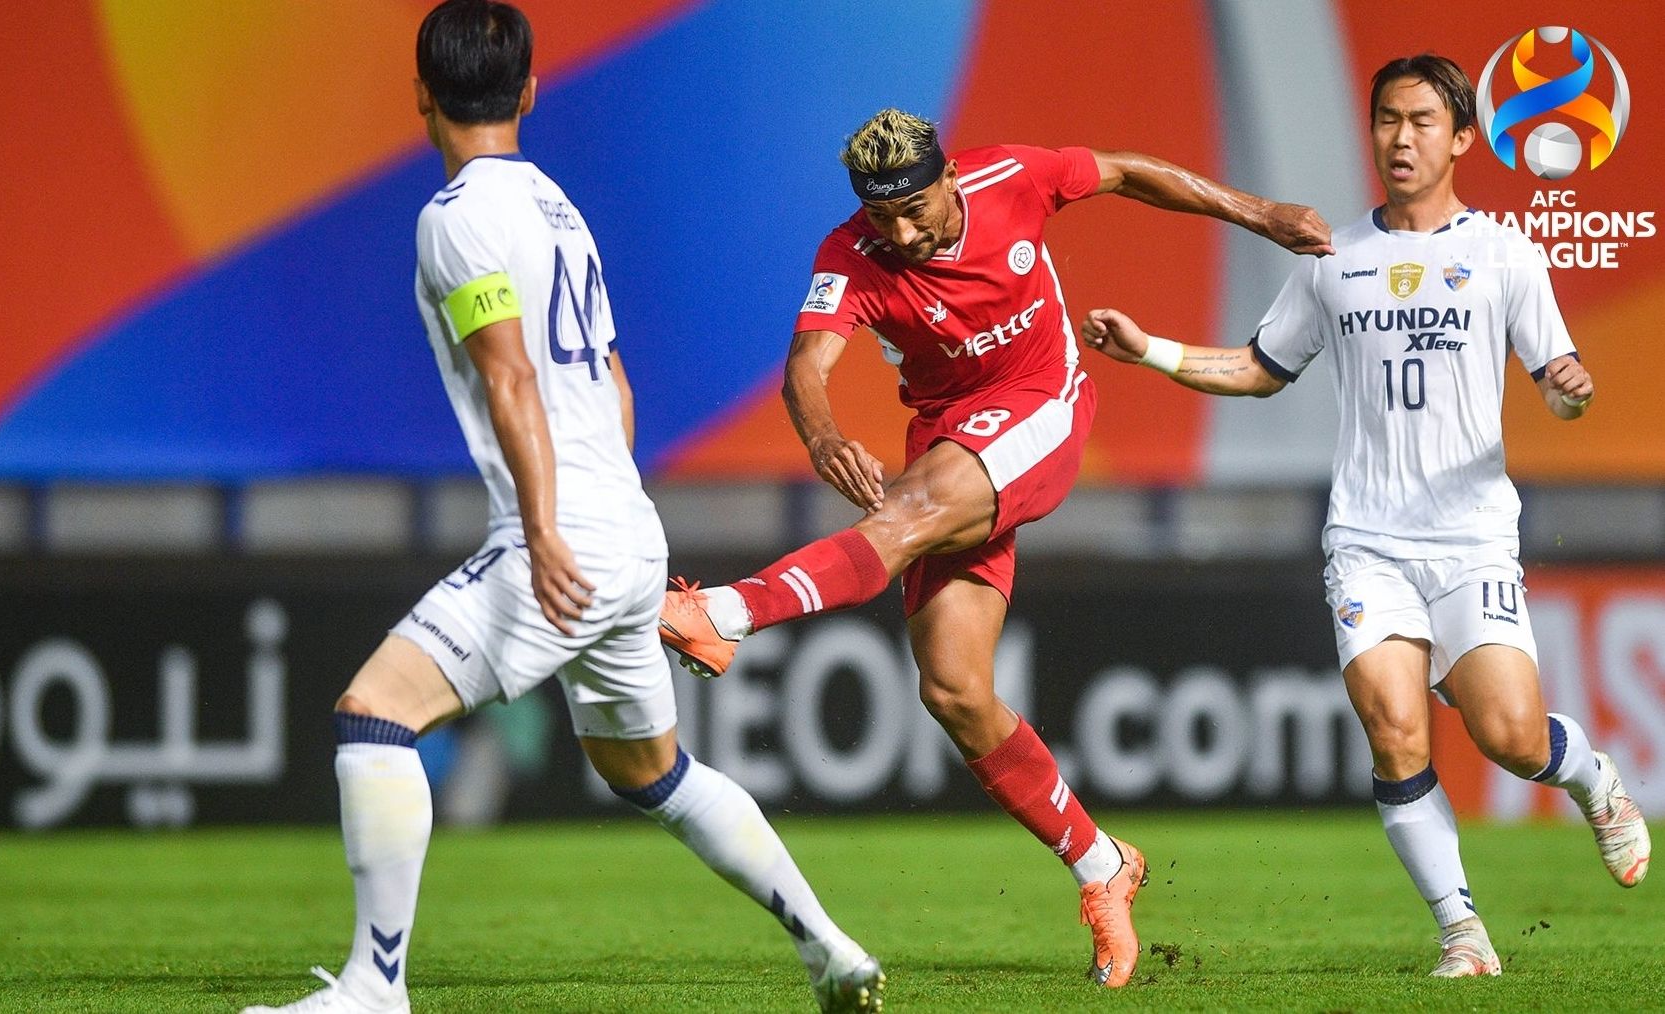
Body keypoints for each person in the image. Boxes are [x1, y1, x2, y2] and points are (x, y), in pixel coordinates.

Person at [243, 3, 883, 1011]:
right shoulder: (557, 208)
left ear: (421, 95)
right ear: (531, 93)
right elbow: (617, 384)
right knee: (653, 774)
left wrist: (545, 531)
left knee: (375, 715)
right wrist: (605, 515)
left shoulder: (454, 220)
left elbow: (509, 381)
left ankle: (375, 987)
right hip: (627, 527)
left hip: (564, 541)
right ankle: (829, 948)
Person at [659, 107, 1332, 988]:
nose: (899, 233)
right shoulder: (851, 252)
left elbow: (1126, 166)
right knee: (954, 689)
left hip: (1041, 408)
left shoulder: (1012, 176)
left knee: (901, 519)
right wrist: (822, 437)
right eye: (880, 216)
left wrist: (1260, 214)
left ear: (945, 177)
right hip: (949, 438)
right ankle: (1102, 866)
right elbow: (806, 367)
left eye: (914, 210)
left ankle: (725, 612)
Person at [1080, 53, 1650, 978]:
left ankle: (1591, 780)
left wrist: (1572, 394)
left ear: (1463, 138)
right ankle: (1461, 932)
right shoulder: (1330, 257)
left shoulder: (1502, 253)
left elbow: (1559, 381)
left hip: (1470, 540)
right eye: (1387, 118)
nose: (1398, 137)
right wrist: (1151, 350)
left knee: (1507, 735)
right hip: (1367, 542)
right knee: (1393, 726)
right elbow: (1261, 369)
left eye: (1422, 121)